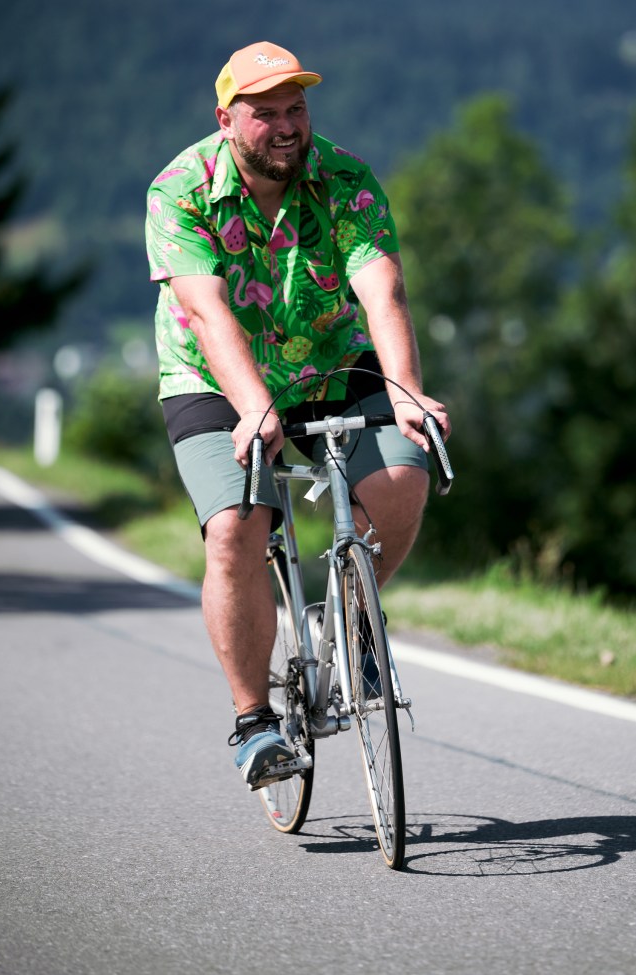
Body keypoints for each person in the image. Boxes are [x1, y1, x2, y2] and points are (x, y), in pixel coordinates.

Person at [145, 41, 451, 790]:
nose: (286, 126)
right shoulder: (179, 190)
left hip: (329, 361)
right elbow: (206, 312)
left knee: (404, 476)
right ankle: (254, 722)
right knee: (236, 527)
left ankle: (353, 622)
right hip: (215, 377)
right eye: (265, 114)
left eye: (296, 108)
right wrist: (254, 408)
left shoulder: (345, 178)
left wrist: (406, 391)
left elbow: (382, 290)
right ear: (225, 120)